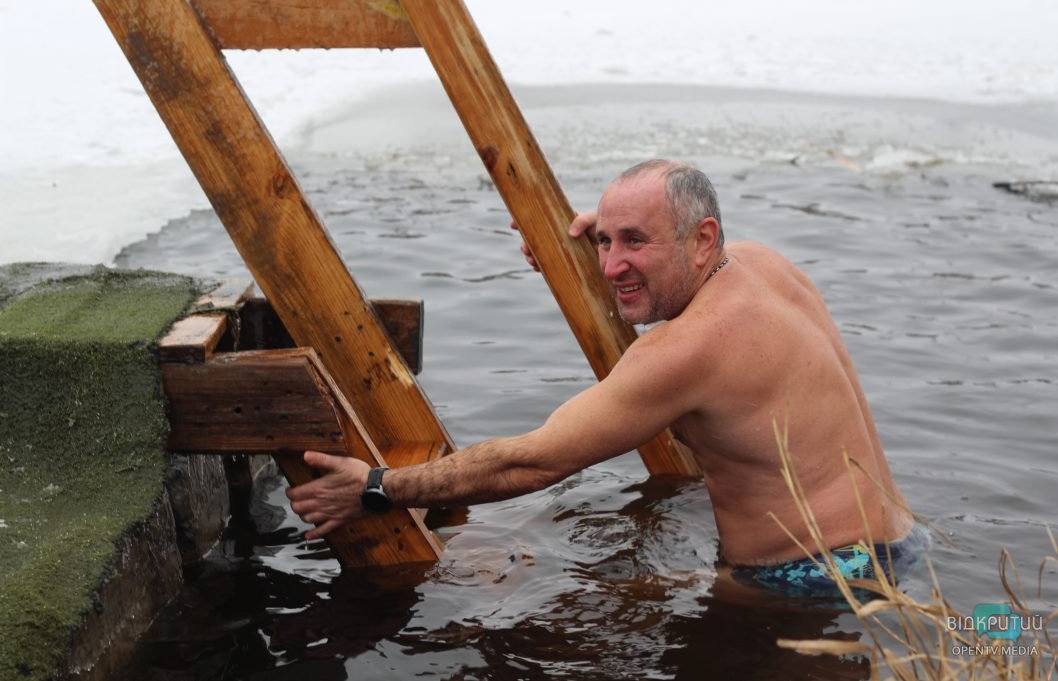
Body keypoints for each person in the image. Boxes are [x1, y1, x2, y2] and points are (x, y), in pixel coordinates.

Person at [286, 159, 925, 598]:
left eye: (635, 242)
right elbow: (667, 268)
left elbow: (529, 465)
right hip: (894, 544)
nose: (613, 262)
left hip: (812, 580)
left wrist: (376, 488)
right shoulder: (763, 265)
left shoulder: (686, 351)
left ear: (701, 240)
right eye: (604, 241)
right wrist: (596, 250)